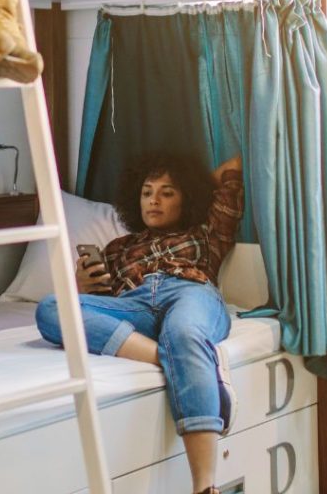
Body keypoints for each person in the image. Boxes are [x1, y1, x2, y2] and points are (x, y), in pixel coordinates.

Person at [36, 154, 244, 494]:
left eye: (167, 192)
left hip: (190, 291)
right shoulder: (119, 248)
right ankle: (175, 359)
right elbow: (97, 305)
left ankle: (205, 486)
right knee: (51, 307)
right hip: (133, 305)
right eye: (147, 192)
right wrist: (81, 285)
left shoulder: (208, 230)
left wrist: (197, 183)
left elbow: (234, 166)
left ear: (187, 198)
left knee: (184, 333)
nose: (154, 200)